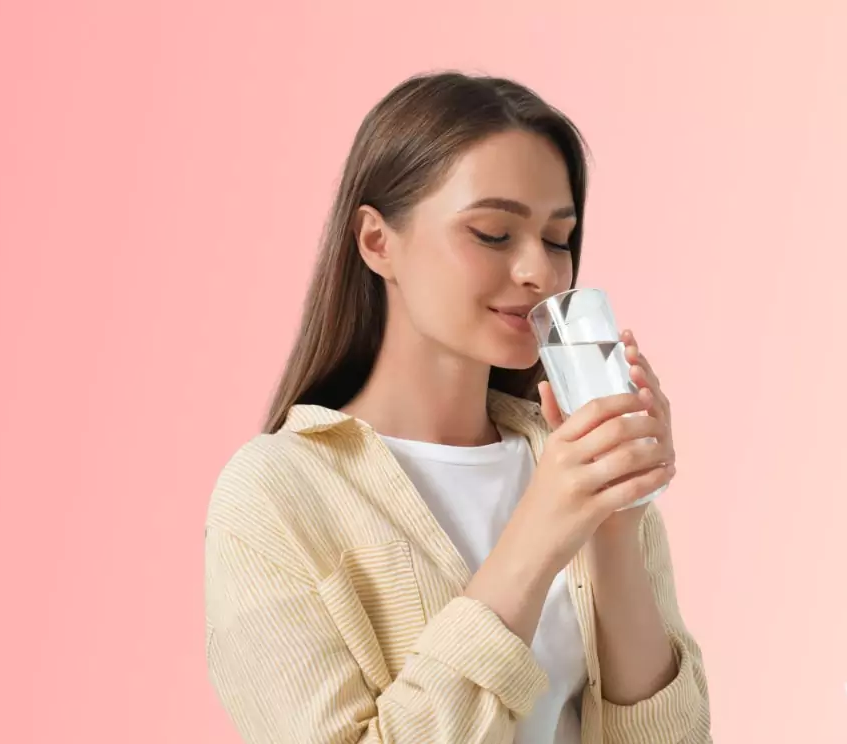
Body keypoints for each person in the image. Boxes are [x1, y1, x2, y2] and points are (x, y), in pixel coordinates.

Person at [203, 71, 713, 744]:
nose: (540, 271)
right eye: (493, 234)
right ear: (377, 242)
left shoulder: (568, 461)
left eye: (559, 238)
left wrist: (614, 524)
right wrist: (539, 534)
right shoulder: (276, 493)